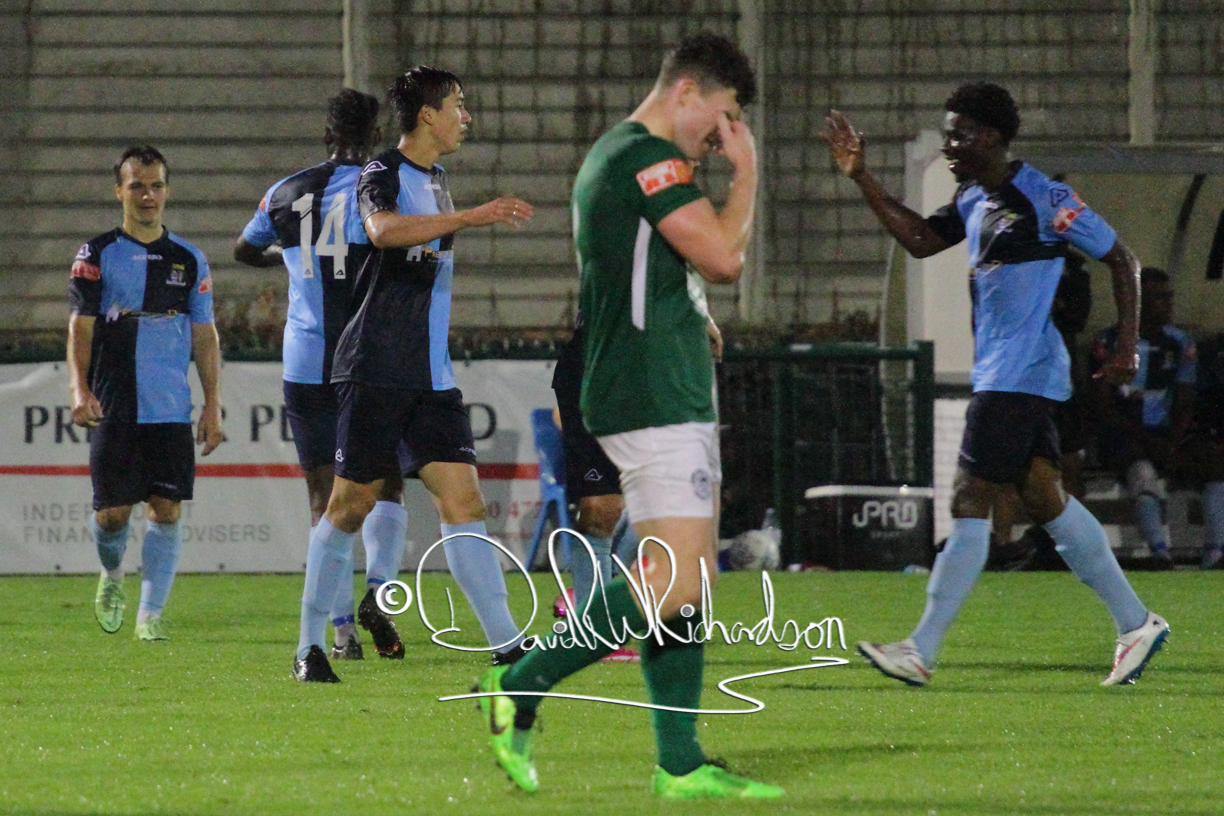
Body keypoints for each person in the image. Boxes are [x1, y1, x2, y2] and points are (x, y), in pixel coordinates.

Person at [474, 34, 783, 799]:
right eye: (723, 116)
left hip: (661, 384)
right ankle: (521, 683)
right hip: (650, 390)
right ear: (686, 92)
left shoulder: (628, 158)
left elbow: (676, 265)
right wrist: (748, 173)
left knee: (685, 579)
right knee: (675, 577)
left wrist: (693, 309)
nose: (724, 136)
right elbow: (725, 257)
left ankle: (679, 761)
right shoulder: (647, 159)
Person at [821, 82, 1168, 688]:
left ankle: (921, 649)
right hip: (1008, 373)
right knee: (1044, 498)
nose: (949, 145)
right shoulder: (971, 197)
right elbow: (922, 241)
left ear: (991, 137)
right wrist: (862, 178)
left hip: (1018, 373)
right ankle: (1136, 623)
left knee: (969, 498)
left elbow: (1123, 260)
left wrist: (1126, 348)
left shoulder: (1045, 197)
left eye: (958, 134)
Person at [291, 66, 535, 683]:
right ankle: (309, 647)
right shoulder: (381, 172)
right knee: (348, 506)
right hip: (376, 368)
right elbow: (382, 230)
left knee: (464, 502)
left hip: (431, 377)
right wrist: (471, 218)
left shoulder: (437, 180)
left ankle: (508, 646)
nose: (466, 116)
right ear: (427, 114)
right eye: (458, 104)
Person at [235, 89, 410, 663]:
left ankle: (340, 633)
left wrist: (289, 256)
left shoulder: (284, 193)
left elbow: (243, 250)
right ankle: (379, 595)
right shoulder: (386, 189)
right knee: (387, 483)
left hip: (307, 361)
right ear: (377, 134)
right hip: (370, 362)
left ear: (326, 136)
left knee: (323, 497)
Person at [68, 145, 225, 642]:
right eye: (137, 185)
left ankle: (150, 615)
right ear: (119, 191)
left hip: (170, 406)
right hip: (115, 401)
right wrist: (79, 388)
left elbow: (204, 335)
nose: (148, 195)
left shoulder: (189, 258)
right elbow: (80, 328)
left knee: (166, 508)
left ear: (167, 191)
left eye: (156, 185)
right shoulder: (96, 254)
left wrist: (212, 404)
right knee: (112, 515)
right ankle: (112, 575)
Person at [1089, 267, 1206, 568]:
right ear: (1137, 302)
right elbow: (1103, 407)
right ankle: (1159, 553)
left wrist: (1174, 442)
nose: (1168, 305)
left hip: (1165, 435)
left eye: (1169, 297)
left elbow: (1185, 402)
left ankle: (1216, 554)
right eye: (1159, 298)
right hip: (1124, 436)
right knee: (1141, 469)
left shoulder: (1181, 343)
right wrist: (1149, 441)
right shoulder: (1108, 342)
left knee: (1215, 463)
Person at [1186, 330, 1224, 568]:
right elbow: (1200, 403)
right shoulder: (1210, 350)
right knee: (1217, 465)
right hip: (1208, 435)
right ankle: (1214, 554)